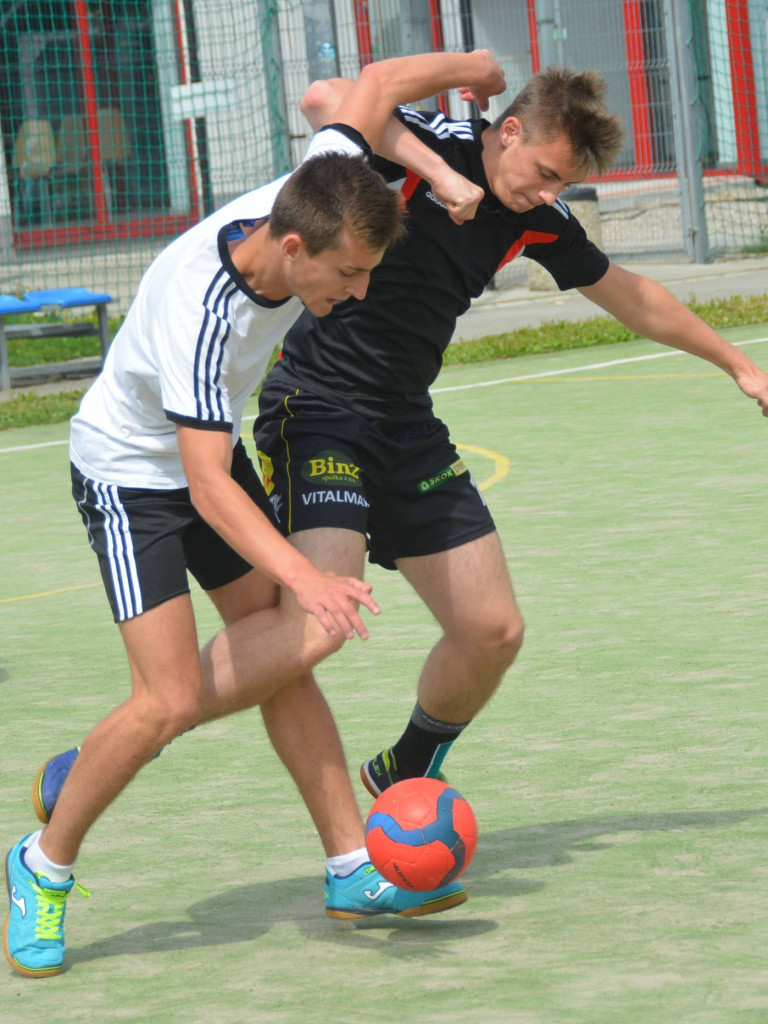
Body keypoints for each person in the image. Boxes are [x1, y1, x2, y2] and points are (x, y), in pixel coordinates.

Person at [3, 49, 507, 980]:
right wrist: (308, 576)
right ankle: (40, 864)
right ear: (292, 250)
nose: (355, 295)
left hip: (202, 455)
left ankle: (352, 868)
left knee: (281, 655)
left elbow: (375, 85)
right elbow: (202, 486)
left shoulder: (317, 189)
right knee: (170, 699)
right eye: (348, 276)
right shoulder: (206, 314)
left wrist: (472, 64)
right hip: (130, 474)